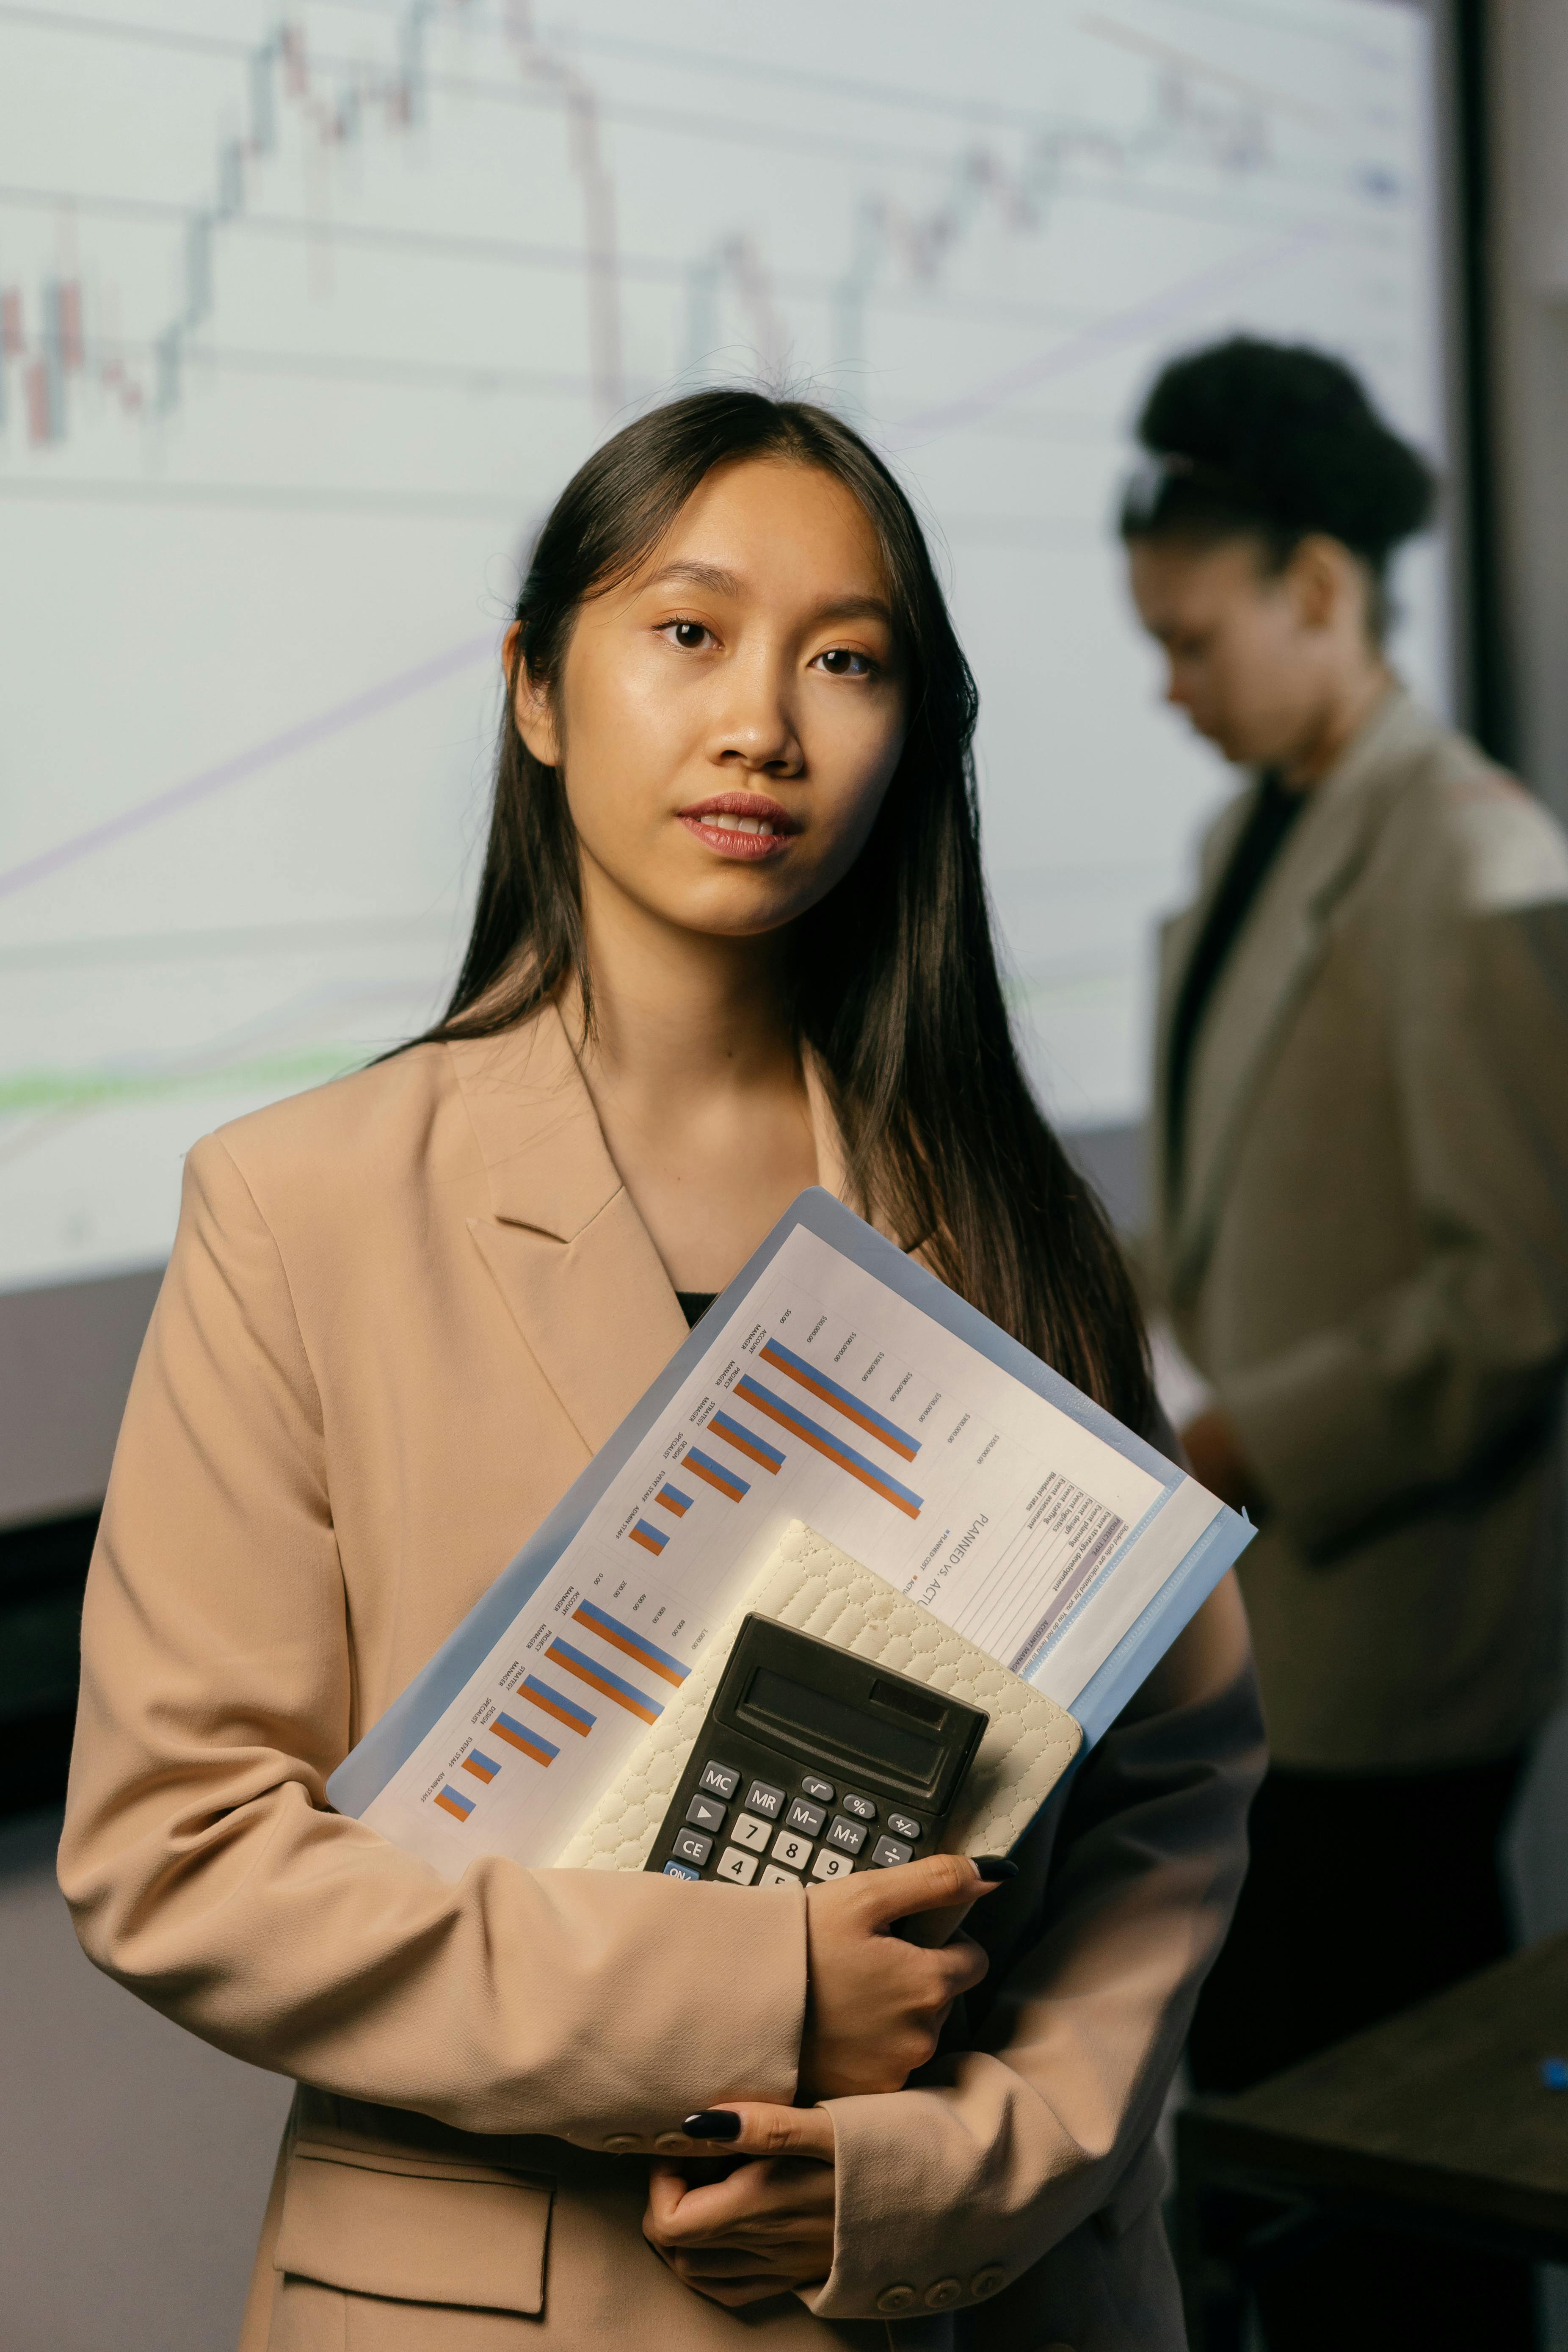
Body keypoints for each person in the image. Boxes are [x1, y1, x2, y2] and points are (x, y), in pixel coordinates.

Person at [59, 389, 1262, 2351]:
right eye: (687, 632)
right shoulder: (302, 1205)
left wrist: (940, 2166)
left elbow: (1171, 1787)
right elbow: (177, 1851)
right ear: (538, 687)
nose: (763, 725)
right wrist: (760, 1990)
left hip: (968, 2303)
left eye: (846, 660)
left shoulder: (1009, 1212)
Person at [1123, 335, 1568, 2349]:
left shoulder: (1472, 856)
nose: (1165, 686)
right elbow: (1247, 1213)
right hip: (1256, 1635)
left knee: (1390, 2218)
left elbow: (1518, 1297)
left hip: (1382, 1661)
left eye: (1193, 637)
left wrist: (1239, 1440)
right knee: (1281, 2167)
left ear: (1320, 586)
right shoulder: (1255, 837)